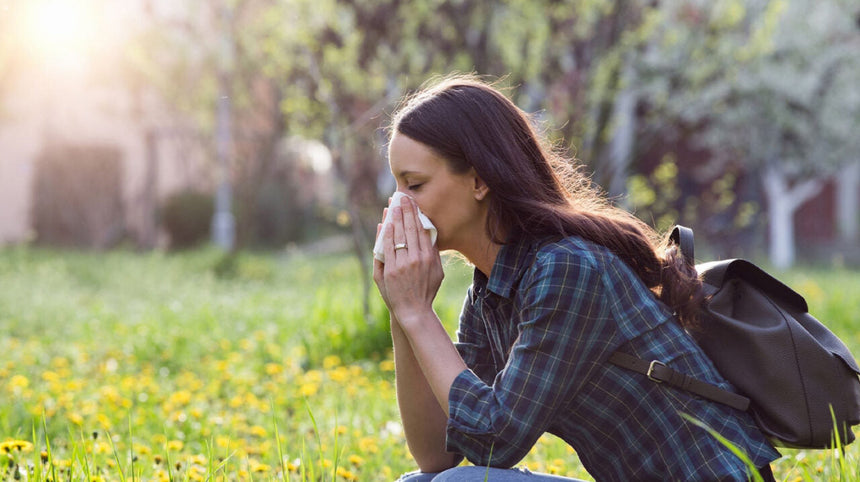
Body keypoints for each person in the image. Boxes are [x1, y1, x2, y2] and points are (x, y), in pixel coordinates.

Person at [372, 74, 780, 481]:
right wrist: (402, 308)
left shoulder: (566, 268)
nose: (398, 205)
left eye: (415, 185)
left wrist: (418, 314)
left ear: (479, 181)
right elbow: (435, 456)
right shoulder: (490, 292)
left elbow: (495, 441)